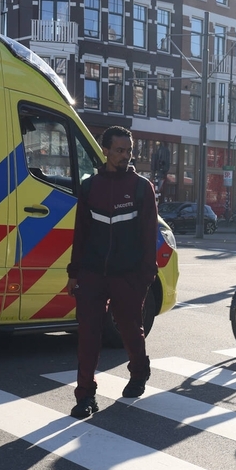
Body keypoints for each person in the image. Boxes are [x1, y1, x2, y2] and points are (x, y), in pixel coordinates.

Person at [66, 126, 158, 419]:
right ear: (105, 150)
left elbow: (148, 235)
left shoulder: (142, 187)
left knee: (129, 328)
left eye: (129, 150)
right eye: (119, 150)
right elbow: (80, 233)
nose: (126, 155)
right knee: (88, 335)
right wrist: (74, 272)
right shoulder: (90, 187)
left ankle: (139, 373)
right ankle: (85, 396)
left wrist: (145, 276)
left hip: (128, 275)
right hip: (92, 274)